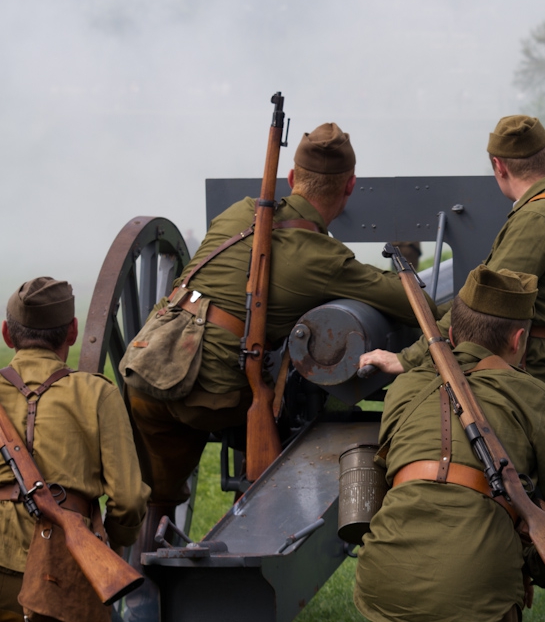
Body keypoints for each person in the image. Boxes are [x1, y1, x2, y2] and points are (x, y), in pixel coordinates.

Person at [125, 122, 434, 550]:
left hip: (146, 371)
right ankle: (256, 526)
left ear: (292, 178)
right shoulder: (322, 257)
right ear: (350, 187)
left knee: (160, 491)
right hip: (213, 395)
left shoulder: (236, 213)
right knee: (276, 403)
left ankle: (144, 564)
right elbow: (414, 304)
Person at [353, 265, 545, 622]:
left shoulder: (404, 388)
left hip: (384, 581)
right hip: (479, 587)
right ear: (519, 340)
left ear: (452, 333)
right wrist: (530, 567)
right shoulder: (538, 397)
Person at [360, 116, 545, 414]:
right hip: (544, 367)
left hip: (522, 375)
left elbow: (483, 307)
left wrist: (406, 359)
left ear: (499, 166)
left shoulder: (538, 219)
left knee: (406, 397)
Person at [0, 278, 149, 622]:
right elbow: (128, 500)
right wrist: (107, 546)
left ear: (7, 334)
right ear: (73, 332)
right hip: (63, 574)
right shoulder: (98, 393)